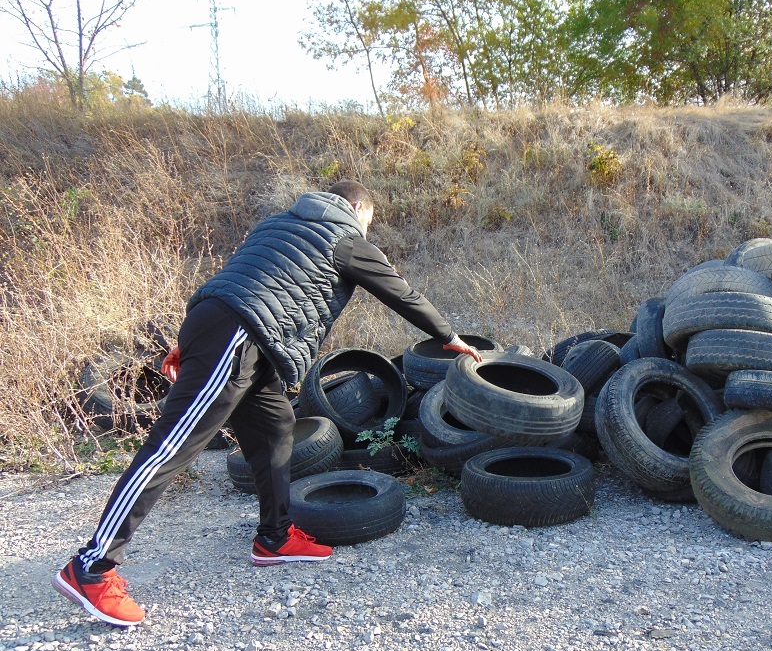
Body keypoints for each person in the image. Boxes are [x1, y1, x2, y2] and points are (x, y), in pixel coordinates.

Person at [53, 180, 482, 627]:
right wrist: (448, 336)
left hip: (236, 332)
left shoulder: (278, 223)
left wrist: (196, 341)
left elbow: (243, 278)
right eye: (367, 223)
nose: (365, 231)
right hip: (237, 334)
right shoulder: (344, 237)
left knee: (276, 428)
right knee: (173, 446)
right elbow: (400, 292)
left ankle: (274, 537)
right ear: (357, 209)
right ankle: (92, 566)